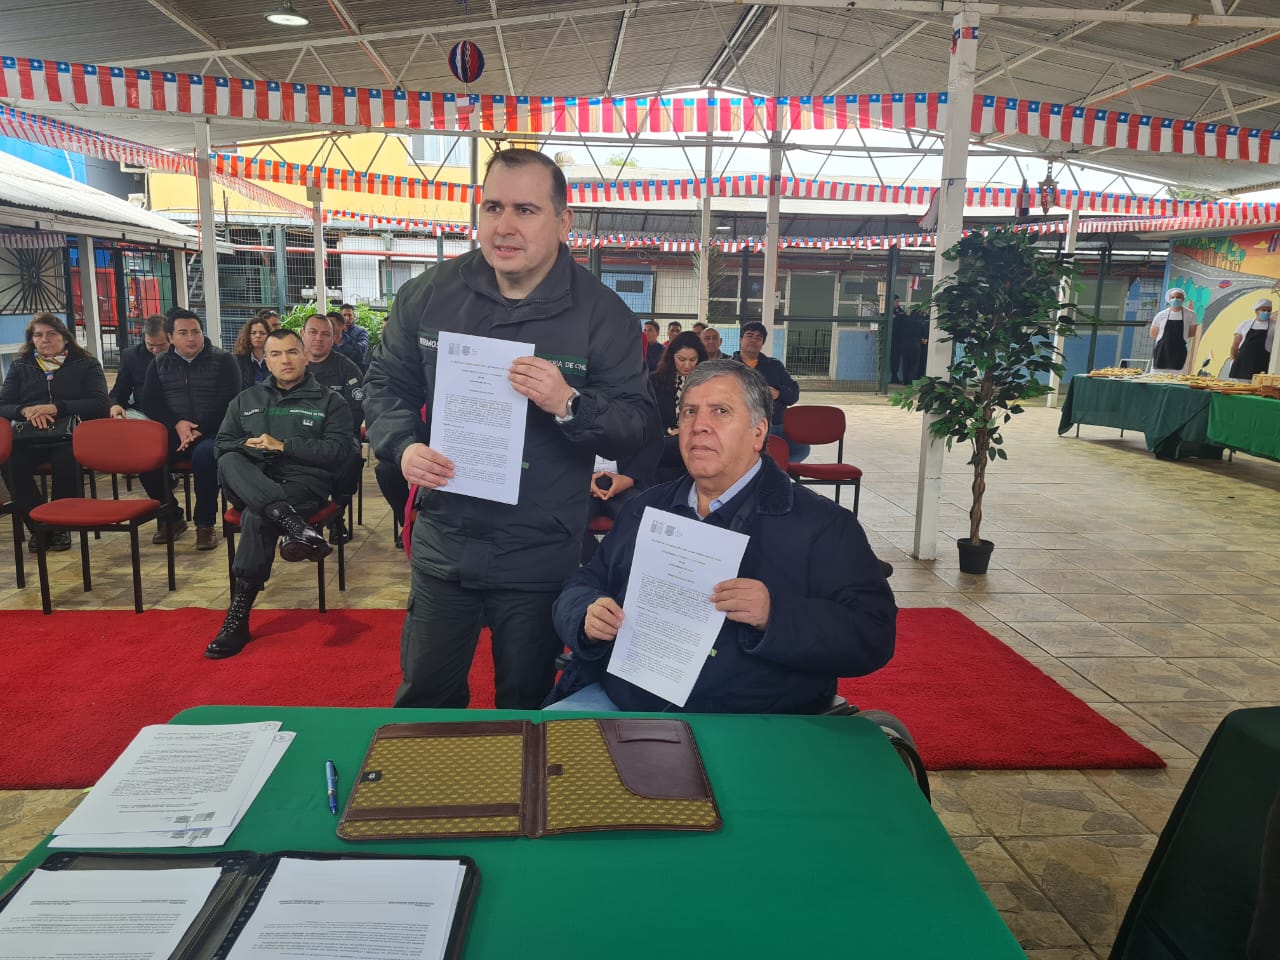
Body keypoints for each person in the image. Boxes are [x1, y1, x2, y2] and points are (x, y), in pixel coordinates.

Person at [363, 147, 660, 711]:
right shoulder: (428, 295)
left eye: (526, 210)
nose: (504, 226)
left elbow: (637, 425)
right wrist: (402, 447)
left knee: (526, 704)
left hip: (539, 550)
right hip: (446, 539)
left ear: (563, 221)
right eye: (493, 207)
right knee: (425, 698)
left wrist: (569, 403)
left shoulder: (603, 315)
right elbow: (384, 386)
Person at [546, 360, 896, 713]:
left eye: (721, 411)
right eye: (690, 412)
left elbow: (873, 634)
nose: (699, 425)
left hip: (751, 719)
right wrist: (587, 614)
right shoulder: (645, 508)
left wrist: (775, 614)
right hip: (624, 702)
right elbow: (583, 584)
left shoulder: (822, 525)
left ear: (758, 432)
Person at [207, 329, 355, 659]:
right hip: (249, 478)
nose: (285, 360)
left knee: (257, 516)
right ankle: (294, 525)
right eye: (276, 354)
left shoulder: (331, 402)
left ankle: (237, 618)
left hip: (302, 484)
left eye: (291, 352)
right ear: (267, 360)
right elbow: (222, 445)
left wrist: (284, 446)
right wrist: (248, 446)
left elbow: (339, 452)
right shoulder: (246, 399)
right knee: (229, 458)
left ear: (305, 357)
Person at [0, 313, 109, 552]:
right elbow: (3, 404)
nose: (44, 339)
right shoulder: (21, 366)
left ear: (65, 338)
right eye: (38, 335)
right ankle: (38, 526)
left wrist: (56, 407)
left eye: (51, 334)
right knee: (10, 461)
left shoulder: (86, 364)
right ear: (31, 340)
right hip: (30, 435)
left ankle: (60, 526)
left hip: (70, 435)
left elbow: (100, 403)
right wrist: (25, 410)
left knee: (67, 458)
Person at [139, 308, 241, 550]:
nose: (191, 338)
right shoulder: (159, 363)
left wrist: (199, 429)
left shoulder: (223, 360)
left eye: (195, 332)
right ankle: (171, 516)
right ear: (171, 337)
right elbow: (151, 402)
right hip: (176, 431)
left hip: (214, 431)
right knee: (146, 458)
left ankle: (205, 524)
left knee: (205, 457)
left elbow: (230, 401)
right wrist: (177, 423)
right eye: (183, 333)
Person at [300, 311, 365, 540]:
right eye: (313, 332)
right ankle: (298, 520)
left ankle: (336, 517)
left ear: (334, 338)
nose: (318, 338)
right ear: (302, 334)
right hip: (299, 436)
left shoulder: (347, 368)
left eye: (325, 334)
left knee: (352, 458)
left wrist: (330, 435)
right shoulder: (291, 365)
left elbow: (356, 410)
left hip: (339, 436)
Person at [732, 320, 807, 461]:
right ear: (741, 339)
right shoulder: (728, 367)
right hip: (738, 423)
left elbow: (793, 394)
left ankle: (773, 469)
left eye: (758, 338)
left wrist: (778, 393)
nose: (753, 340)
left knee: (801, 449)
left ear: (762, 343)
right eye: (749, 336)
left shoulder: (774, 366)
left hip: (772, 425)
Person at [650, 330, 707, 481]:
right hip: (667, 443)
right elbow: (649, 417)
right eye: (681, 359)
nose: (687, 365)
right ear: (672, 357)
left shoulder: (708, 383)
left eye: (693, 360)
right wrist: (669, 430)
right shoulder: (655, 382)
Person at [108, 314, 169, 419]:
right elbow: (120, 390)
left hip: (174, 412)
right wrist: (115, 405)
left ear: (171, 338)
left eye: (161, 345)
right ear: (144, 337)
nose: (156, 350)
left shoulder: (180, 353)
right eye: (150, 345)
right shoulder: (131, 356)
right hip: (142, 412)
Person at [1149, 287, 1198, 373]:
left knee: (1177, 376)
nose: (1175, 299)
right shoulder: (1161, 315)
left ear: (1183, 299)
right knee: (1157, 376)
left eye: (1178, 297)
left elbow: (1192, 333)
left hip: (1179, 351)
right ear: (1169, 299)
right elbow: (1153, 333)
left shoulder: (1191, 314)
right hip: (1162, 351)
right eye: (1173, 297)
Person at [1229, 297, 1275, 381]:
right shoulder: (1245, 324)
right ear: (1256, 311)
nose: (1266, 312)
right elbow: (1235, 346)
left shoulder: (1275, 326)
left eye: (1269, 310)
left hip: (1262, 367)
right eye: (1263, 310)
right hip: (1241, 366)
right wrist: (1232, 361)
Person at [232, 315, 272, 389]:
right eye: (254, 333)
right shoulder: (238, 360)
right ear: (248, 336)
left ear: (269, 336)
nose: (258, 336)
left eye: (262, 333)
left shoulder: (275, 358)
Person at [335, 303, 369, 370]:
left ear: (354, 316)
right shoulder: (336, 332)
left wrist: (346, 339)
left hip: (356, 368)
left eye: (349, 315)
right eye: (344, 315)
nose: (347, 318)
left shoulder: (361, 332)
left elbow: (362, 348)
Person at [889, 296, 909, 384]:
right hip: (890, 338)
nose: (898, 303)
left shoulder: (900, 311)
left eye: (898, 301)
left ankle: (894, 375)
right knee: (888, 358)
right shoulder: (888, 310)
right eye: (896, 301)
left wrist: (896, 317)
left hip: (898, 339)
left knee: (896, 358)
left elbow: (905, 318)